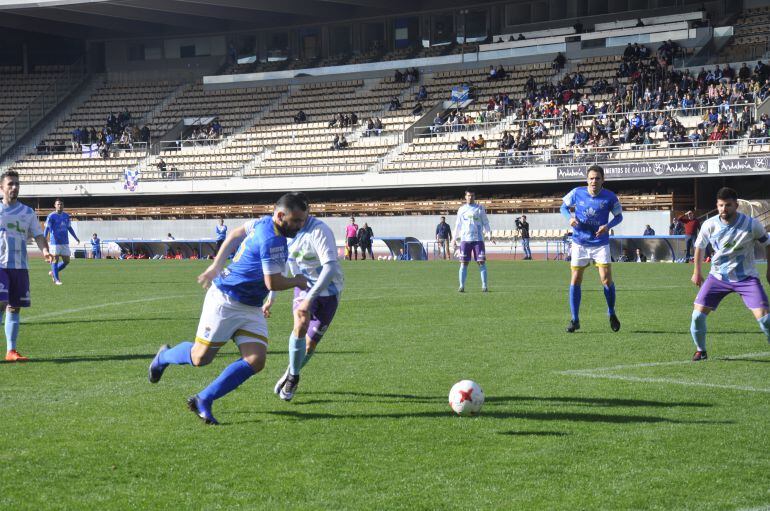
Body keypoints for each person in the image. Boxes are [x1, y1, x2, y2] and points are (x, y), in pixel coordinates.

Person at [147, 193, 309, 425]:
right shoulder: (271, 238)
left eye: (303, 220)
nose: (299, 226)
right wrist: (298, 281)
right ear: (280, 215)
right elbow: (272, 283)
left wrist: (216, 264)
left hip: (250, 305)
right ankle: (163, 357)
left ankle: (204, 399)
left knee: (256, 359)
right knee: (200, 358)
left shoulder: (264, 222)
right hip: (226, 300)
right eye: (296, 221)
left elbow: (235, 234)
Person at [265, 208, 345, 401]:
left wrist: (312, 297)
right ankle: (294, 377)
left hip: (329, 290)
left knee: (309, 345)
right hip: (303, 287)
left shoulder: (319, 231)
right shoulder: (281, 234)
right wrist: (271, 299)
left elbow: (330, 267)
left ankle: (291, 370)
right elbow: (279, 269)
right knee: (300, 322)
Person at [689, 187, 770, 361]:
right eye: (720, 205)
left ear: (737, 205)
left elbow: (767, 243)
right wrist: (697, 271)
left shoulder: (751, 224)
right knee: (697, 316)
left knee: (765, 319)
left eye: (728, 205)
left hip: (746, 278)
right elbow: (699, 247)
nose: (723, 209)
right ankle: (701, 350)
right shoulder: (709, 224)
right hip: (718, 278)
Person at [560, 165, 623, 333]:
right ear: (587, 179)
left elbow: (619, 216)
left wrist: (607, 226)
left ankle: (611, 312)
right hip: (580, 242)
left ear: (603, 180)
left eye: (597, 178)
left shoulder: (610, 197)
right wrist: (570, 218)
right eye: (591, 178)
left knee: (606, 279)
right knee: (575, 279)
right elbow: (563, 207)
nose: (594, 181)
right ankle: (575, 319)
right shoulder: (577, 192)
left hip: (600, 243)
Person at [0, 171, 54, 361]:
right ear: (1, 188)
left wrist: (45, 251)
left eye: (17, 184)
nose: (14, 187)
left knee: (14, 307)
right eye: (10, 184)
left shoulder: (27, 212)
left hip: (20, 266)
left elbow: (38, 235)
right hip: (0, 265)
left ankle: (11, 351)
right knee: (0, 304)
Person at [453, 190, 492, 292]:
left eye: (472, 196)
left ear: (475, 197)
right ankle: (461, 286)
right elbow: (458, 225)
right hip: (465, 240)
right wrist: (454, 238)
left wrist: (489, 234)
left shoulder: (480, 208)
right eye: (468, 196)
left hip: (478, 240)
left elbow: (486, 222)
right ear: (465, 197)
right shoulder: (461, 209)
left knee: (481, 262)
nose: (470, 197)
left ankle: (484, 286)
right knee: (463, 263)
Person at [44, 199, 80, 286]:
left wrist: (76, 238)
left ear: (63, 206)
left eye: (61, 204)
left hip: (64, 242)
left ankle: (53, 272)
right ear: (55, 205)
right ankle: (57, 280)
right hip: (55, 242)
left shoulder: (66, 216)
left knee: (67, 261)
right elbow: (47, 228)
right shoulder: (51, 216)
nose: (60, 206)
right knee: (55, 260)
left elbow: (69, 228)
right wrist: (44, 239)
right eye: (58, 204)